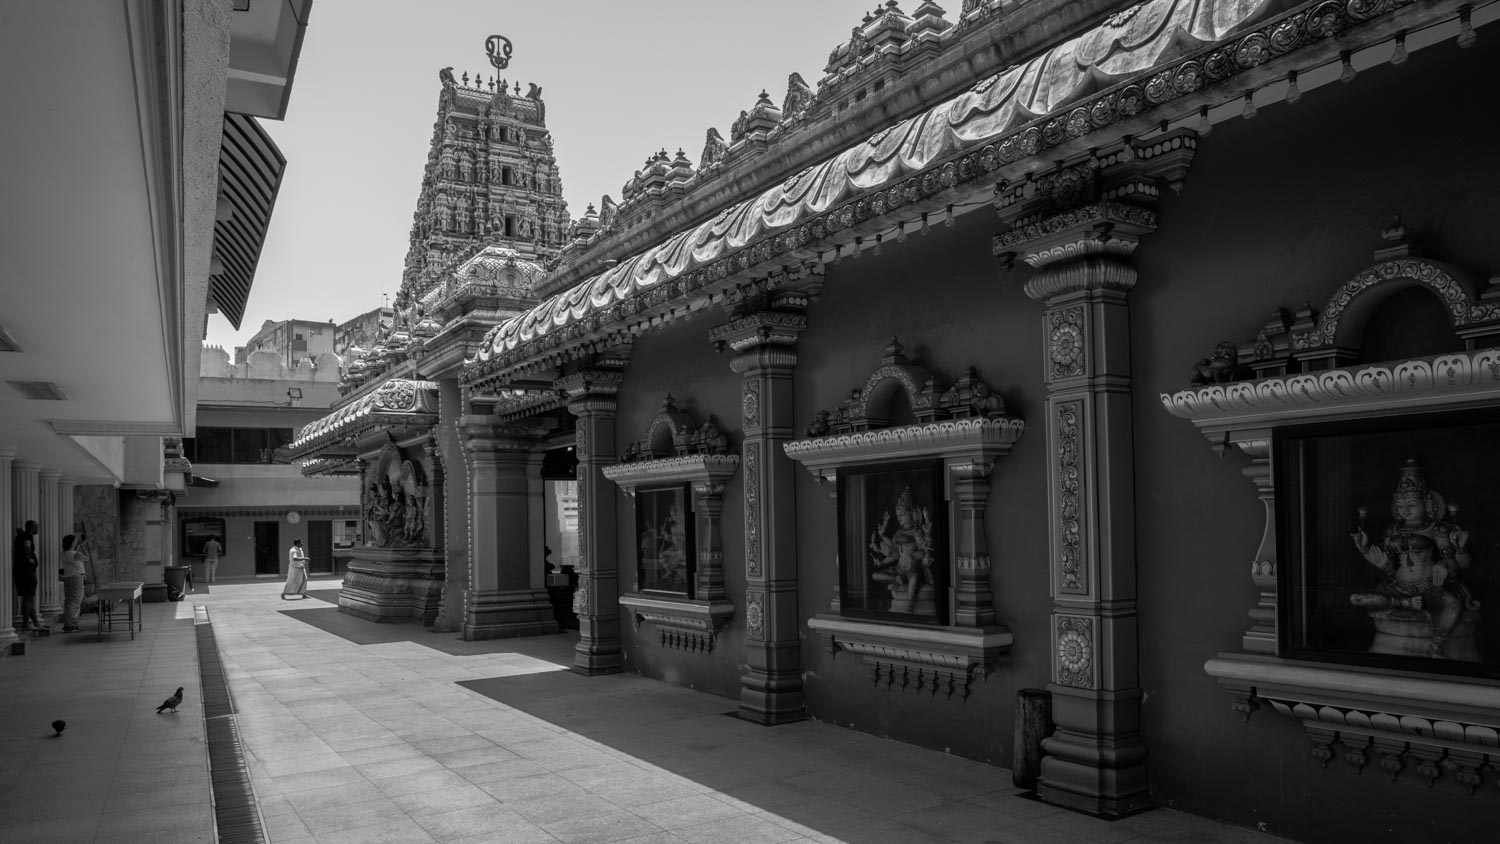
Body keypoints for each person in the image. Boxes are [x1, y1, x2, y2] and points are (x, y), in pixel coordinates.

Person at [1350, 459, 1477, 658]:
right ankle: (1406, 604)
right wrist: (1368, 553)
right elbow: (1390, 565)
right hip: (1399, 586)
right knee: (1357, 598)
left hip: (1429, 584)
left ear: (1426, 503)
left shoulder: (1437, 529)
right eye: (1400, 505)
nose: (1405, 510)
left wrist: (1446, 562)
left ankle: (1436, 645)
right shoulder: (1393, 529)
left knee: (1454, 605)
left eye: (1411, 504)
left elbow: (1458, 564)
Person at [12, 520, 43, 631]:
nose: (38, 529)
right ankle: (26, 623)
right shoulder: (27, 537)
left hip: (20, 571)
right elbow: (27, 548)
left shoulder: (21, 536)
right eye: (36, 527)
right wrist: (30, 560)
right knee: (28, 598)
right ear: (32, 528)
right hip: (27, 572)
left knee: (28, 598)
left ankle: (35, 623)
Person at [59, 534, 88, 632]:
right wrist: (83, 546)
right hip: (76, 579)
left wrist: (79, 545)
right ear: (72, 543)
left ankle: (70, 624)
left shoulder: (63, 553)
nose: (76, 542)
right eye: (75, 541)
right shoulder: (76, 554)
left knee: (69, 602)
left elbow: (74, 554)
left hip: (67, 578)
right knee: (75, 602)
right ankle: (71, 625)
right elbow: (86, 558)